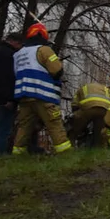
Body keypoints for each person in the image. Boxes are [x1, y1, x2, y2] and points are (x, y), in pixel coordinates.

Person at [11, 22, 73, 155]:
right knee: (54, 124)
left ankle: (17, 153)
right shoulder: (44, 50)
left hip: (24, 96)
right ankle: (65, 153)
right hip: (43, 95)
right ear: (44, 36)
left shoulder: (18, 54)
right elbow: (57, 71)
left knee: (24, 127)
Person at [69, 81, 110, 147]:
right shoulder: (106, 89)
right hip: (104, 110)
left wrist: (76, 115)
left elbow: (74, 104)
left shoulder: (83, 88)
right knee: (99, 133)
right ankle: (97, 149)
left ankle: (71, 147)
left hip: (88, 108)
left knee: (73, 130)